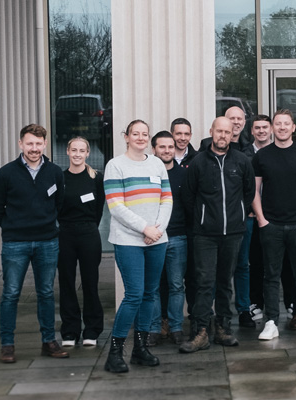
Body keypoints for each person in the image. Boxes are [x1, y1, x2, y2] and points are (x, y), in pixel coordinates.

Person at [0, 123, 69, 363]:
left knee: (46, 293)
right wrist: (14, 227)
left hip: (47, 242)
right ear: (20, 144)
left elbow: (59, 204)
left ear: (45, 144)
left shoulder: (55, 172)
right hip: (16, 243)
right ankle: (7, 345)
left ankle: (48, 341)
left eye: (38, 143)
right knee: (11, 293)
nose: (34, 148)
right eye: (29, 143)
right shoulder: (6, 173)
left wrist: (46, 225)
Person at [180, 117, 256, 353]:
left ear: (233, 133)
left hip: (232, 233)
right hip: (205, 235)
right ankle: (201, 331)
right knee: (204, 283)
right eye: (218, 131)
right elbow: (189, 198)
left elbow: (248, 192)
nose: (223, 135)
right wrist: (202, 221)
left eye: (227, 131)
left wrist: (237, 217)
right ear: (211, 131)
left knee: (225, 283)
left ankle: (223, 328)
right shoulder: (198, 162)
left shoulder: (242, 161)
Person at [102, 119, 172, 372]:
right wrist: (145, 229)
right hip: (128, 240)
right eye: (136, 134)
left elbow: (167, 199)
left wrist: (157, 230)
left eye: (145, 134)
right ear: (126, 137)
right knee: (133, 294)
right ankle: (115, 353)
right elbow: (116, 207)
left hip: (157, 239)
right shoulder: (115, 166)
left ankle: (140, 349)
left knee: (149, 294)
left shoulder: (157, 164)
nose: (141, 138)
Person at [252, 109, 296, 341]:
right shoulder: (262, 156)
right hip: (271, 226)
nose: (282, 128)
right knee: (271, 276)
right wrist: (262, 219)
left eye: (286, 124)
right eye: (278, 124)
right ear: (272, 128)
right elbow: (253, 190)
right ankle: (271, 322)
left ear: (294, 127)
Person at [56, 137, 106, 349]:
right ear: (67, 152)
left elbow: (99, 209)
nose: (77, 154)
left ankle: (92, 330)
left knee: (90, 283)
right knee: (66, 284)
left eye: (82, 150)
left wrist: (88, 227)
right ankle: (70, 330)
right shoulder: (59, 178)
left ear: (87, 153)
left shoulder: (96, 178)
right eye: (73, 150)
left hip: (88, 233)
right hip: (65, 234)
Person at [151, 131, 189, 345]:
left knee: (176, 285)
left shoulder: (183, 174)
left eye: (170, 147)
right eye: (162, 147)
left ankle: (175, 328)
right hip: (153, 238)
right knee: (154, 286)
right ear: (154, 149)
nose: (167, 150)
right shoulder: (147, 173)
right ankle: (155, 328)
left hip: (178, 237)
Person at [238, 115, 274, 327]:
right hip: (252, 216)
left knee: (279, 261)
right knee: (255, 261)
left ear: (270, 130)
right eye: (257, 128)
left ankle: (285, 302)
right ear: (251, 131)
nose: (261, 131)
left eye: (264, 127)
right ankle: (255, 302)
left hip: (276, 214)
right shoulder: (243, 154)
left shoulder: (278, 150)